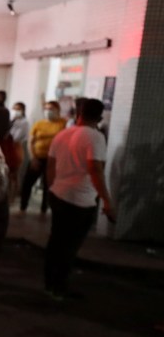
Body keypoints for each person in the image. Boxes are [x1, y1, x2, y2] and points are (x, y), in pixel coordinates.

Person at [44, 98, 115, 300]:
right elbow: (95, 170)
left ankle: (49, 285)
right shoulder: (96, 137)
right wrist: (107, 201)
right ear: (100, 117)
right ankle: (60, 288)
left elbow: (50, 166)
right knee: (69, 246)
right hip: (80, 201)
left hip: (59, 194)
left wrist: (52, 189)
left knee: (56, 242)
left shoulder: (62, 135)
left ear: (79, 114)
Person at [20, 100, 67, 215]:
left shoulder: (63, 123)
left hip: (53, 159)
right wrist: (33, 158)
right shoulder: (39, 124)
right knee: (28, 183)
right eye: (46, 109)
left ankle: (44, 209)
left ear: (57, 110)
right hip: (37, 157)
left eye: (51, 109)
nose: (48, 111)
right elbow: (31, 141)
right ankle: (23, 207)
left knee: (48, 185)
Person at [5, 101, 30, 203]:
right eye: (14, 108)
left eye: (18, 109)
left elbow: (17, 137)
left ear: (23, 110)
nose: (16, 111)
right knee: (9, 173)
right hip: (9, 147)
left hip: (17, 147)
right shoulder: (11, 121)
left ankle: (14, 195)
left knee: (15, 174)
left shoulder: (25, 122)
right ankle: (9, 193)